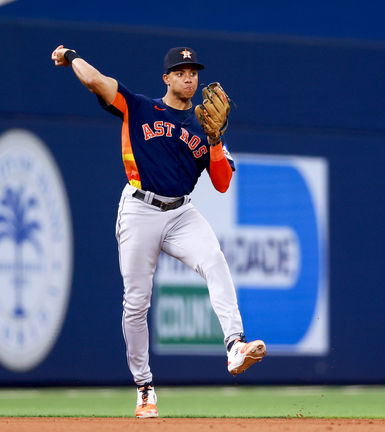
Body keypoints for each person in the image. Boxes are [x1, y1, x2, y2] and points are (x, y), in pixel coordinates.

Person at [51, 45, 266, 418]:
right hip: (139, 207)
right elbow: (95, 81)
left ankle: (235, 345)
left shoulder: (206, 129)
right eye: (180, 71)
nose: (189, 77)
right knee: (136, 302)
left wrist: (215, 141)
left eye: (193, 71)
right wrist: (71, 56)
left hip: (181, 212)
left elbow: (221, 183)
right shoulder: (139, 107)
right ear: (166, 78)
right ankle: (144, 387)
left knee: (215, 261)